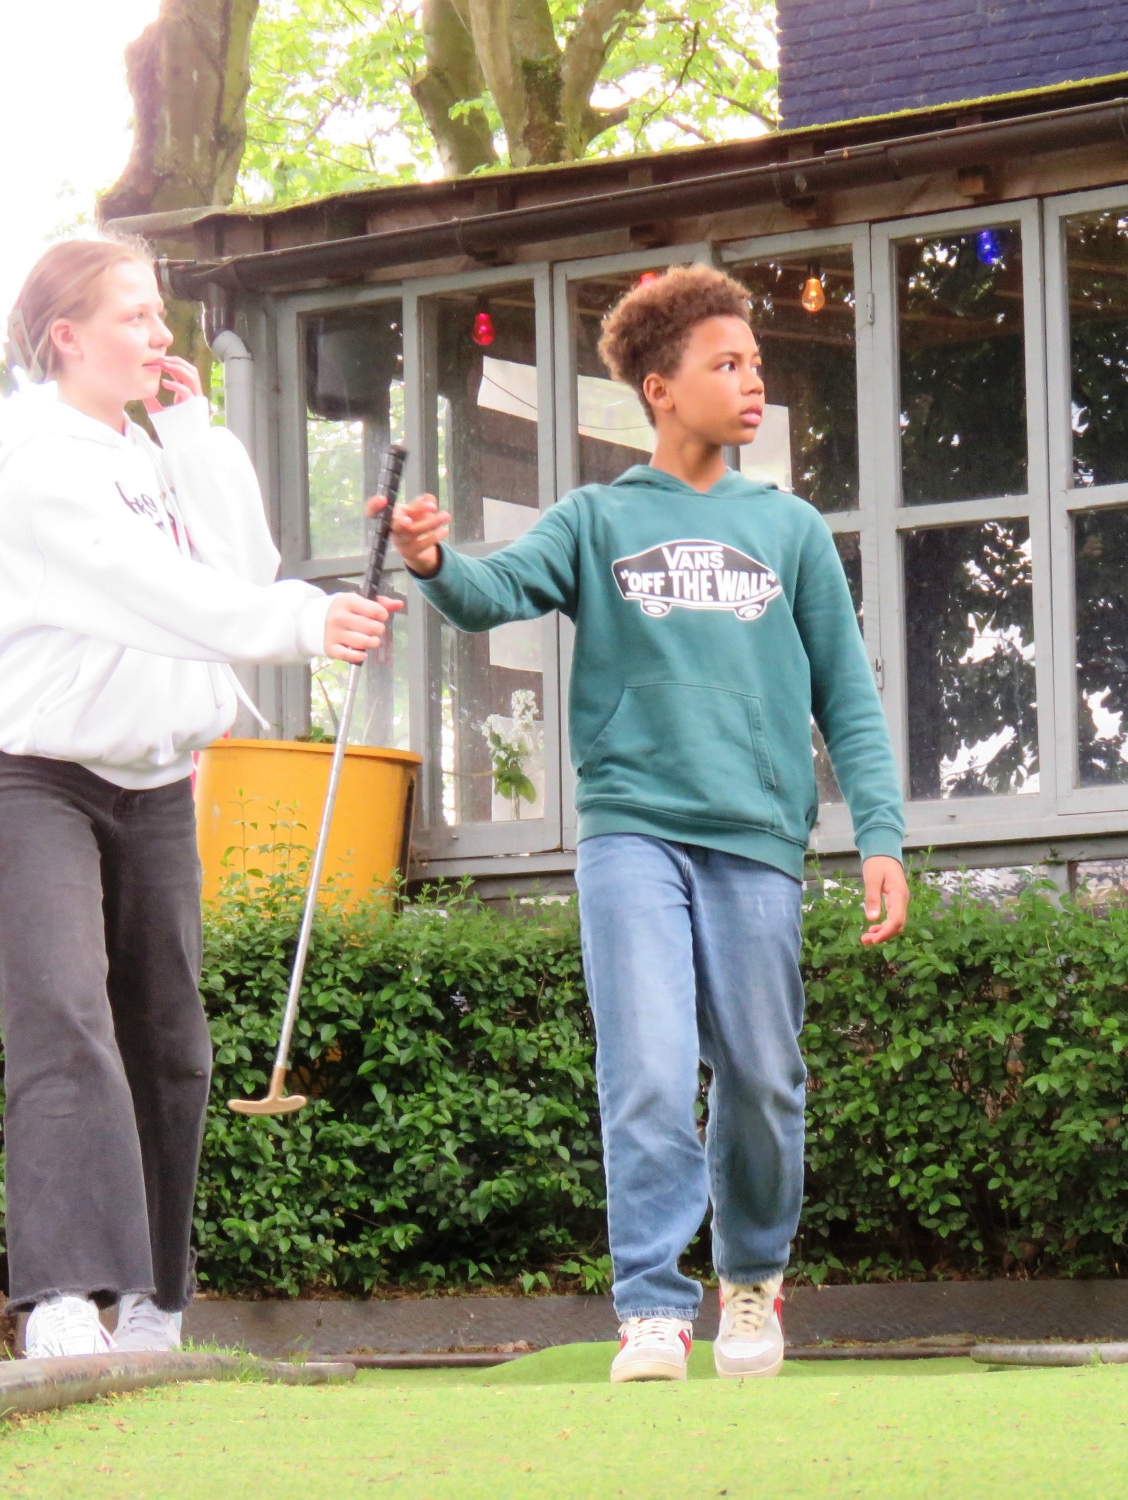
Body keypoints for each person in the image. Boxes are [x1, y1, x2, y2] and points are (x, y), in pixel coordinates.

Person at [386, 264, 909, 1381]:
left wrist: (880, 834)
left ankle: (753, 1284)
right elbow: (491, 595)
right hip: (631, 827)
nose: (751, 380)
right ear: (662, 390)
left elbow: (847, 695)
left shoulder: (791, 529)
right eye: (727, 363)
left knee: (763, 1077)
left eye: (755, 362)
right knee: (650, 1068)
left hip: (757, 835)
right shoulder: (596, 518)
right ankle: (651, 1310)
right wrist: (431, 559)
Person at [0, 237, 398, 1357]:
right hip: (37, 775)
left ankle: (154, 1299)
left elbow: (236, 571)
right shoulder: (39, 466)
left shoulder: (149, 451)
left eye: (161, 317)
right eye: (137, 318)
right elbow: (155, 595)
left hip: (154, 779)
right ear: (69, 337)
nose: (161, 337)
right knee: (62, 1018)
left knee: (170, 1038)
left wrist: (195, 435)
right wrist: (303, 623)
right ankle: (60, 1296)